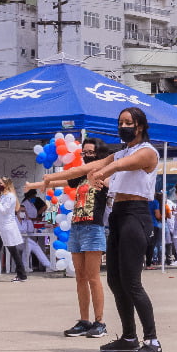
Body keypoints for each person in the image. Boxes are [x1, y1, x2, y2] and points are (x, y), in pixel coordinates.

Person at [87, 107, 163, 352]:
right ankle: (129, 337)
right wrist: (51, 179)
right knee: (115, 280)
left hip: (136, 214)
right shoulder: (124, 150)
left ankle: (152, 341)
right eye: (120, 122)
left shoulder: (147, 152)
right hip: (118, 214)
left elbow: (119, 165)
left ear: (139, 126)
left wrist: (99, 173)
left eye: (128, 122)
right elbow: (97, 164)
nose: (123, 126)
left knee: (132, 282)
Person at [28, 140, 111, 338]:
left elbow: (111, 186)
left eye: (91, 152)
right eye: (85, 152)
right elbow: (65, 181)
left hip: (93, 228)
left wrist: (99, 177)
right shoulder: (81, 175)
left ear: (99, 153)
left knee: (93, 277)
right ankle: (84, 321)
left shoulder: (106, 174)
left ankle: (100, 322)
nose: (87, 155)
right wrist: (40, 184)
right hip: (76, 227)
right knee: (80, 278)